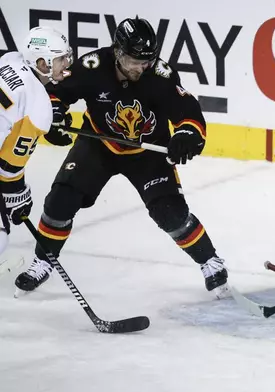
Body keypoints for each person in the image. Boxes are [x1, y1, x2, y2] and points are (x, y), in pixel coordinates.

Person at [14, 17, 229, 298]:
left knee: (170, 213)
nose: (141, 67)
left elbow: (187, 109)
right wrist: (54, 114)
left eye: (147, 61)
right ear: (117, 52)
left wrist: (187, 135)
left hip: (147, 151)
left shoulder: (160, 75)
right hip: (99, 145)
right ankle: (43, 261)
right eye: (133, 61)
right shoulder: (93, 66)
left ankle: (210, 261)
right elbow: (56, 93)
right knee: (60, 200)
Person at [0, 26, 73, 255]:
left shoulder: (8, 61)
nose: (67, 64)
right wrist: (17, 194)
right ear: (42, 64)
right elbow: (9, 166)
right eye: (61, 59)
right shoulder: (39, 107)